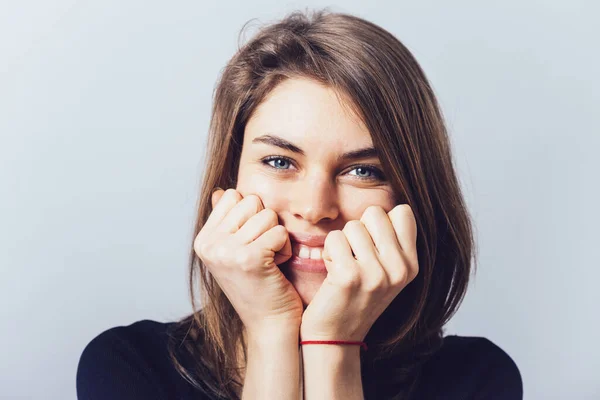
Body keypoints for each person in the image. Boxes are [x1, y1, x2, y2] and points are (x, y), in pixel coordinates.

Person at [76, 8, 523, 400]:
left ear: (411, 197)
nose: (315, 208)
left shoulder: (478, 379)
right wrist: (272, 330)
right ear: (230, 177)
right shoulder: (127, 368)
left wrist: (333, 347)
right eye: (279, 161)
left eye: (363, 170)